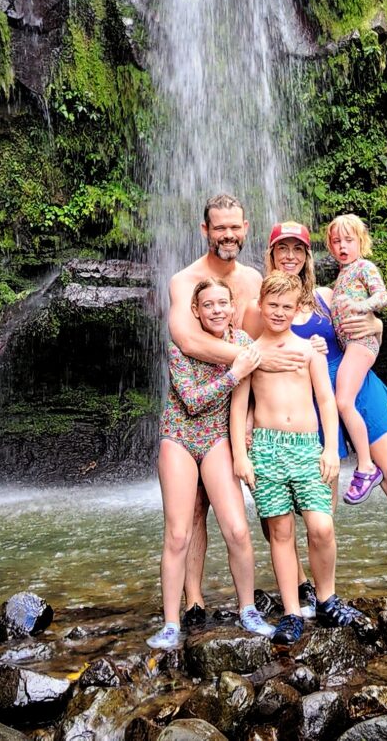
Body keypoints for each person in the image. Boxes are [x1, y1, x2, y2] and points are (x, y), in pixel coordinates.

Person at [246, 221, 387, 614]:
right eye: (281, 250)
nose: (290, 257)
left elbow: (366, 330)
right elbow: (254, 362)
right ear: (270, 256)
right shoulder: (262, 308)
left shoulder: (326, 293)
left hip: (355, 387)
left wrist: (377, 323)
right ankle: (314, 590)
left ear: (307, 257)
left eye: (298, 250)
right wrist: (254, 417)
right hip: (316, 402)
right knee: (319, 506)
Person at [168, 194, 308, 627]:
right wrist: (250, 360)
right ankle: (193, 600)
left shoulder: (253, 279)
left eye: (235, 227)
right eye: (219, 228)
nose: (228, 235)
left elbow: (284, 317)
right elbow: (188, 342)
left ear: (246, 229)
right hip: (198, 412)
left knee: (268, 498)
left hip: (245, 410)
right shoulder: (183, 280)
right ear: (205, 230)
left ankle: (298, 585)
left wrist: (362, 327)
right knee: (193, 509)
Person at [230, 271, 362, 645]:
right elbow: (239, 408)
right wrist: (242, 456)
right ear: (261, 305)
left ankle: (326, 598)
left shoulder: (309, 351)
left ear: (297, 308)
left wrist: (331, 449)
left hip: (307, 446)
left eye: (286, 306)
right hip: (267, 448)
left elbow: (326, 401)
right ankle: (291, 611)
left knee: (321, 526)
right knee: (280, 531)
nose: (278, 312)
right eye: (272, 305)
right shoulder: (252, 352)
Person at [147, 277, 276, 649]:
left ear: (233, 306)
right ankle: (171, 622)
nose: (217, 310)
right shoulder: (181, 349)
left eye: (223, 303)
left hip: (218, 438)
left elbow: (268, 371)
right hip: (180, 438)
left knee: (236, 529)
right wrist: (235, 373)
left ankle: (248, 608)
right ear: (196, 311)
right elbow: (191, 400)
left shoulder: (244, 343)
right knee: (178, 533)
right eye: (208, 305)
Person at [326, 213, 387, 505]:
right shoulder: (340, 277)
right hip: (351, 344)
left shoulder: (364, 266)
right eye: (337, 241)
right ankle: (364, 464)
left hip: (361, 342)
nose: (343, 246)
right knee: (343, 401)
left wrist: (362, 307)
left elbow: (382, 297)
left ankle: (366, 466)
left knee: (343, 402)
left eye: (349, 240)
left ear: (361, 242)